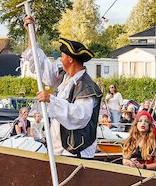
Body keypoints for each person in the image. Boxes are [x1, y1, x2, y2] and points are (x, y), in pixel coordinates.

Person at [21, 16, 102, 157]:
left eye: (62, 56)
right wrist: (31, 32)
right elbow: (40, 64)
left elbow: (80, 115)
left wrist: (51, 100)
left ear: (70, 59)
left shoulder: (87, 87)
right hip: (58, 148)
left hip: (76, 152)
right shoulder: (62, 77)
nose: (60, 59)